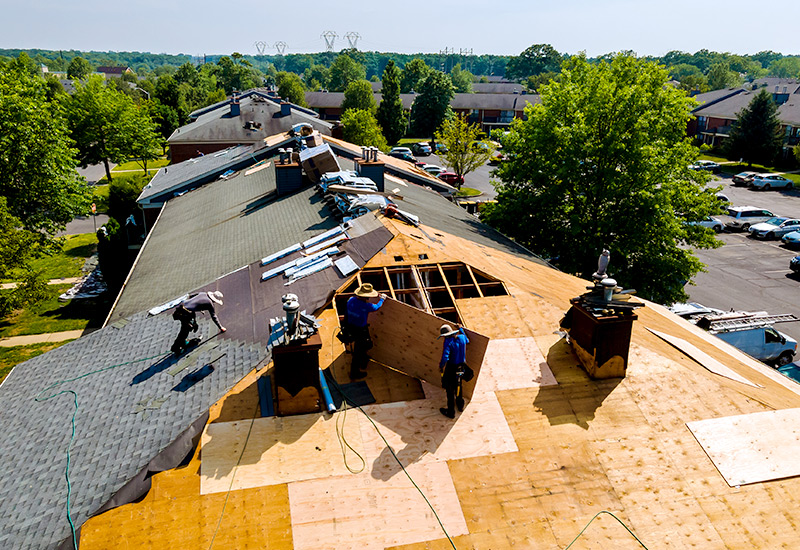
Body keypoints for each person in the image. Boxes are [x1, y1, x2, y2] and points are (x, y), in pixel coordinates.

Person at [344, 283, 386, 379]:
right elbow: (377, 307)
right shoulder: (366, 306)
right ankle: (355, 373)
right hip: (360, 330)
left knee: (363, 346)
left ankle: (363, 361)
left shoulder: (351, 300)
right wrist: (382, 299)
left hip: (350, 327)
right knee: (362, 349)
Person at [438, 324, 469, 419]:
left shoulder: (448, 342)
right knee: (459, 385)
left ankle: (450, 412)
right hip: (462, 367)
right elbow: (468, 340)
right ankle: (460, 406)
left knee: (450, 389)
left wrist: (441, 366)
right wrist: (460, 328)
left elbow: (445, 357)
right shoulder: (462, 337)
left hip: (451, 368)